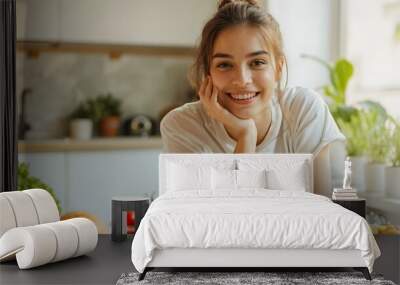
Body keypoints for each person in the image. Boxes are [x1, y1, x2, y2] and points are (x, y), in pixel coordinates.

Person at [160, 0, 346, 196]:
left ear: (278, 69)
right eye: (224, 64)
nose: (242, 80)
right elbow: (213, 220)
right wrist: (246, 135)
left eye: (257, 62)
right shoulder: (183, 126)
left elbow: (322, 210)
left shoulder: (303, 110)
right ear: (209, 73)